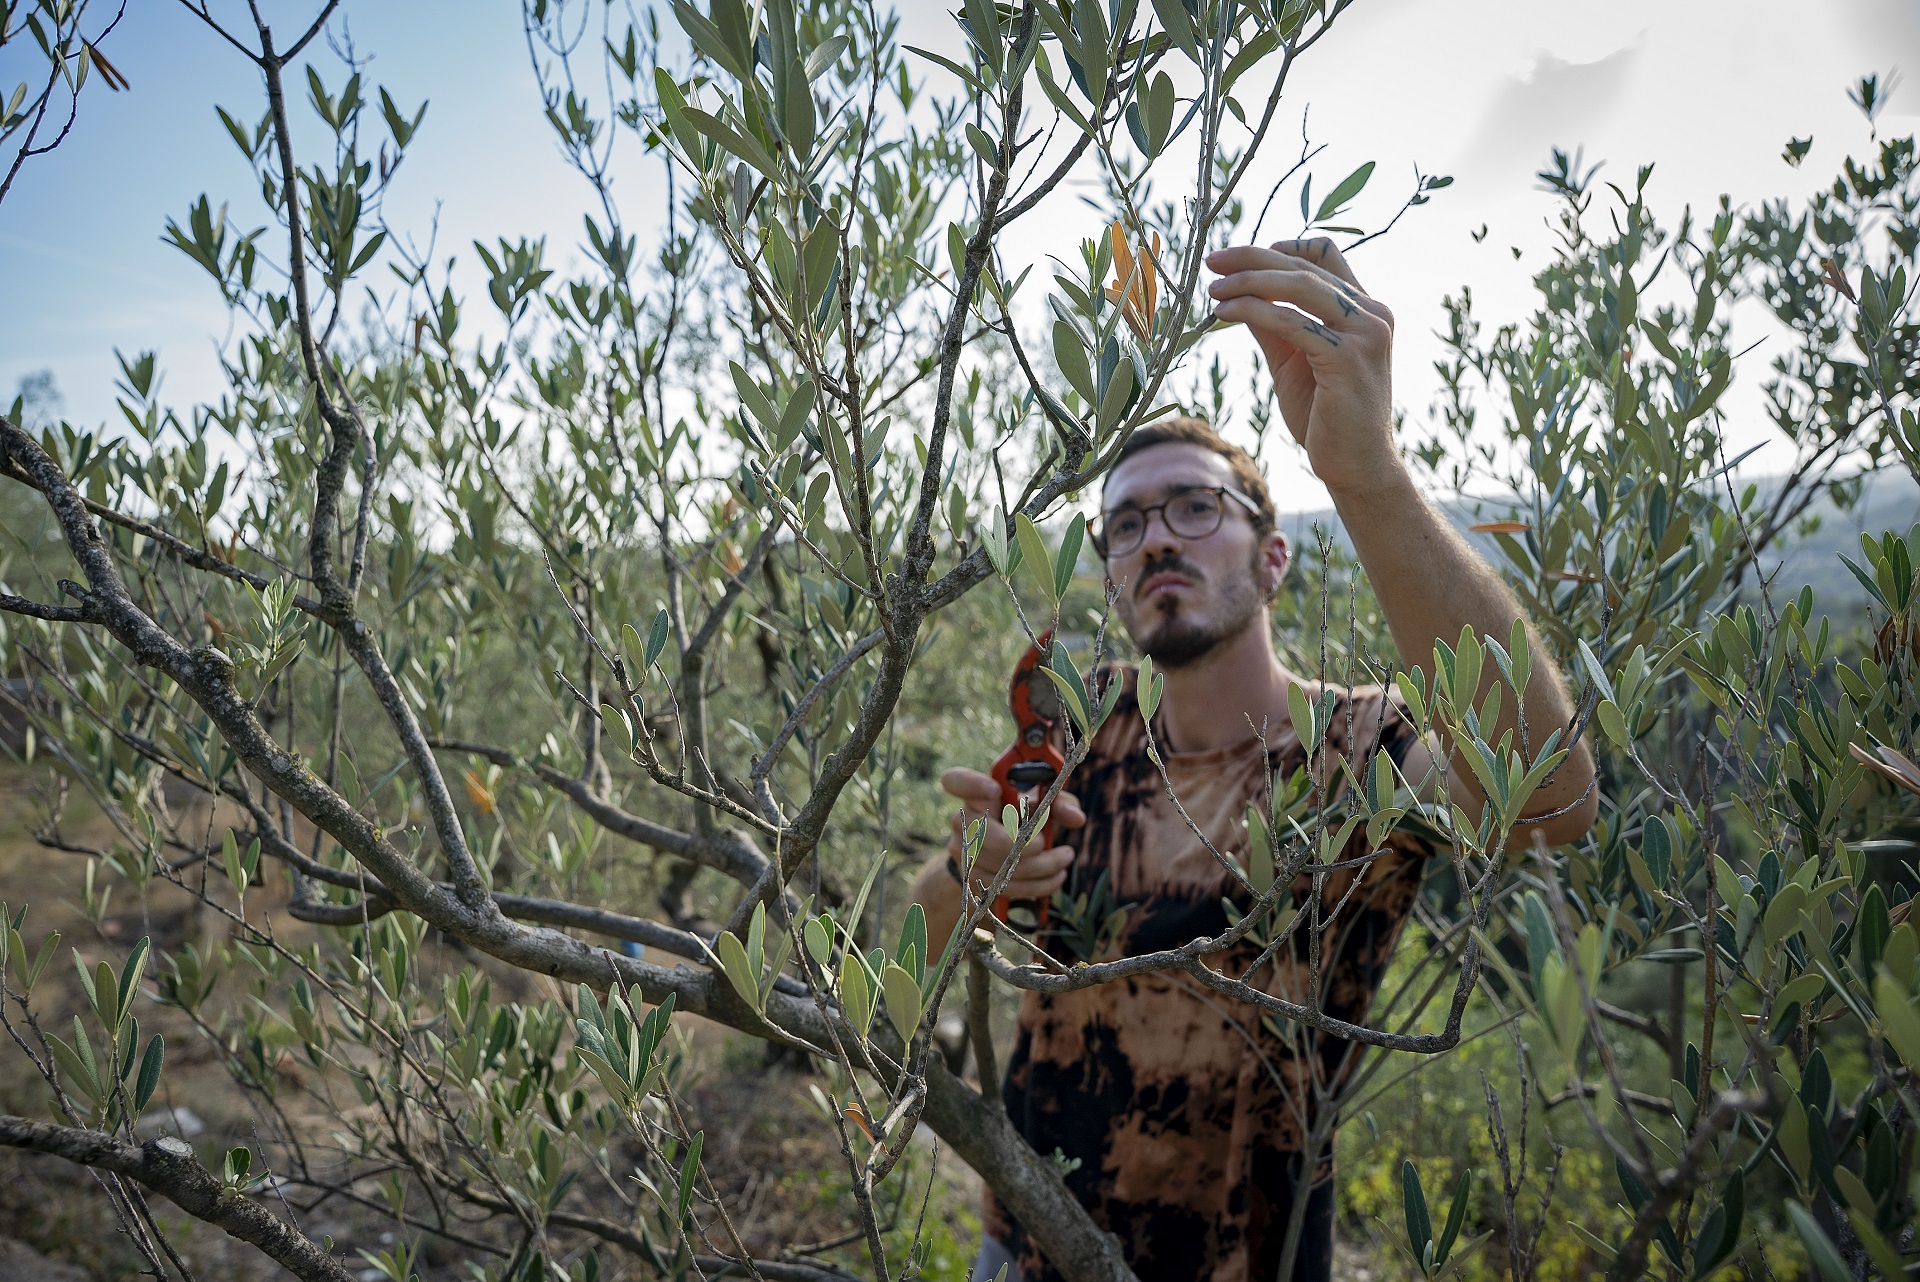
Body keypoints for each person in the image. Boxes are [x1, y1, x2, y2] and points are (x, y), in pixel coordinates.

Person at [908, 238, 1599, 1282]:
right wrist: (969, 879)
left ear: (1272, 555)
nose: (1154, 540)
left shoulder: (1358, 754)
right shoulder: (1083, 730)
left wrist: (1362, 473)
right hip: (1019, 1256)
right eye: (1126, 524)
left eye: (1196, 507)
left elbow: (1550, 802)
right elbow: (917, 948)